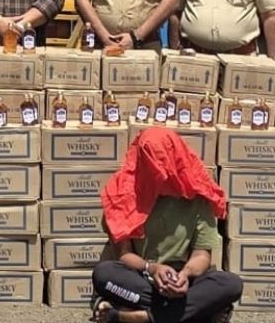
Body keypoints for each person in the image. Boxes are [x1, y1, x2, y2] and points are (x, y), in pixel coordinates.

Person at [91, 126, 241, 323]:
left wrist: (185, 275)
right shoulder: (122, 194)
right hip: (142, 277)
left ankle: (134, 316)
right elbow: (124, 254)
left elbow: (201, 255)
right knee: (103, 274)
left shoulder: (197, 196)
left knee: (231, 284)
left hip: (184, 281)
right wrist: (152, 269)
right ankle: (193, 314)